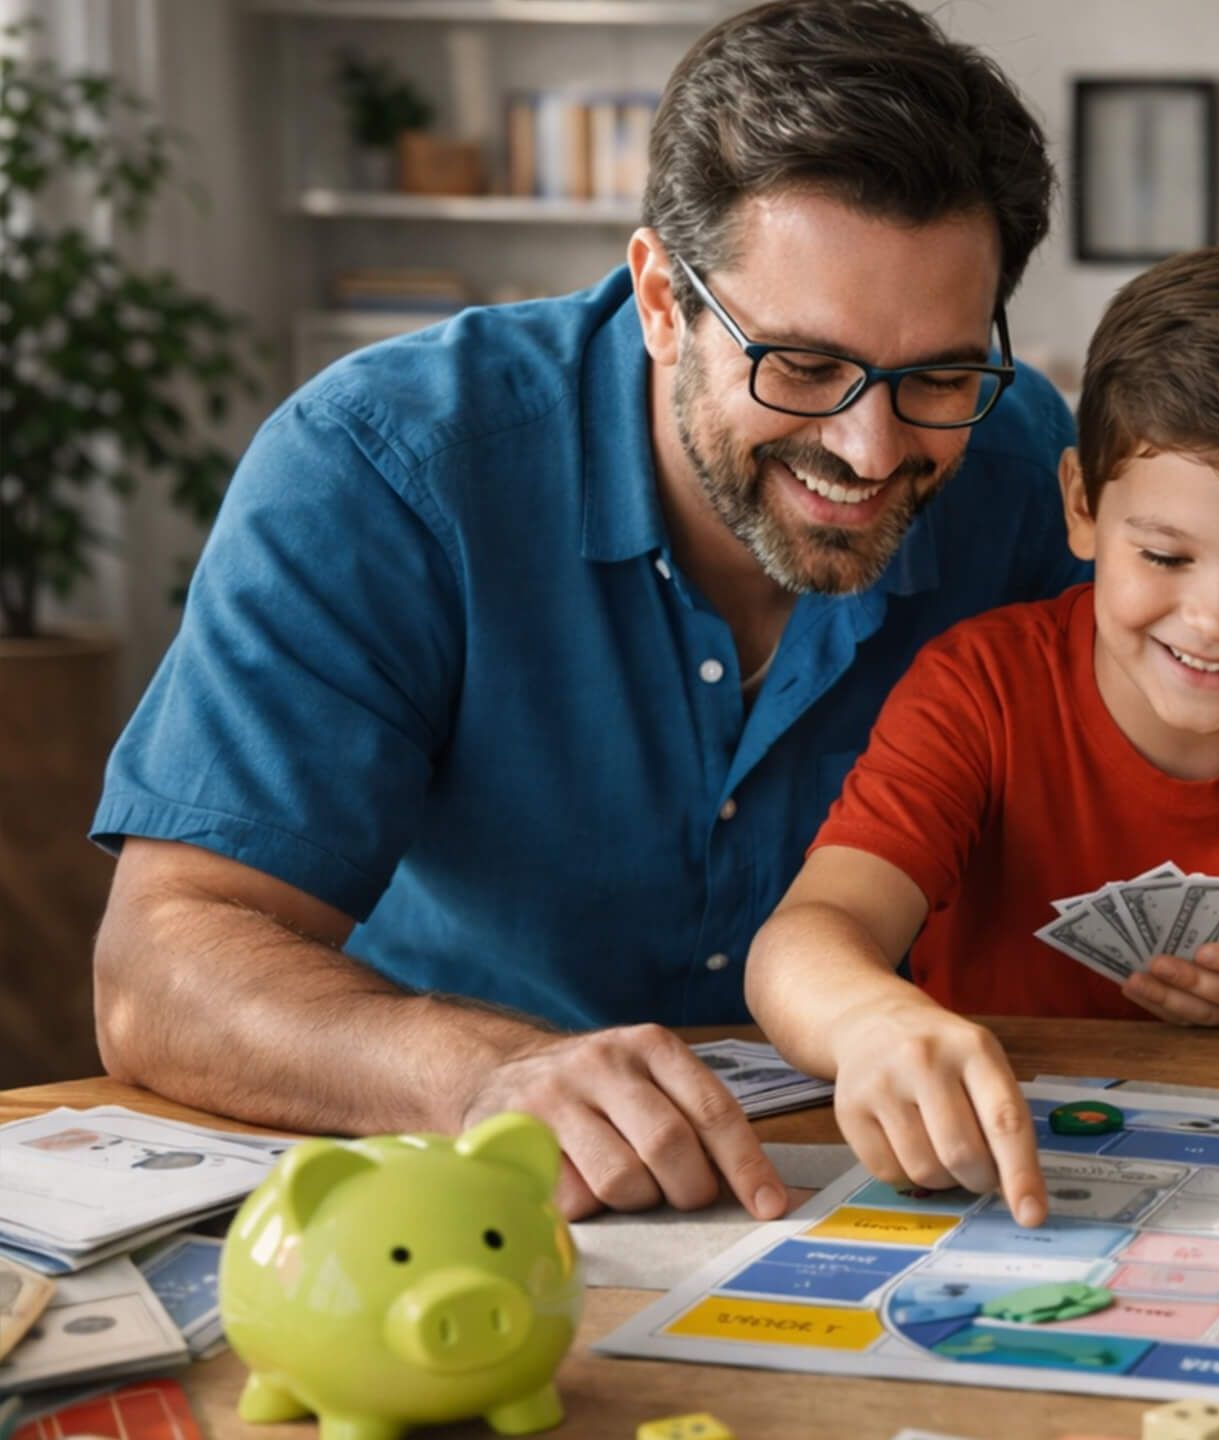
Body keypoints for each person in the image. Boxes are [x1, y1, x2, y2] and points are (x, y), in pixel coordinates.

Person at [87, 0, 1088, 1221]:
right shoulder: (383, 466)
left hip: (881, 1175)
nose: (870, 448)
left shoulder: (1025, 463)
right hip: (454, 1171)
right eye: (803, 367)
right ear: (662, 300)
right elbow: (159, 970)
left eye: (934, 374)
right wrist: (487, 1072)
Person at [748, 245, 1219, 1225]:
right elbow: (802, 941)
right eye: (1163, 555)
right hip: (1001, 1175)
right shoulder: (980, 687)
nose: (1213, 619)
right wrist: (871, 1020)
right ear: (1081, 507)